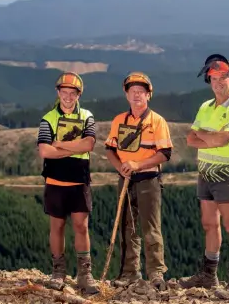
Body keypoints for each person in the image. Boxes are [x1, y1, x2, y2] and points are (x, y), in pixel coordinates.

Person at [179, 54, 229, 299]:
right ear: (209, 80)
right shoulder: (206, 107)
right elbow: (190, 139)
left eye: (223, 78)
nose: (218, 82)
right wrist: (213, 138)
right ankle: (209, 275)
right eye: (213, 78)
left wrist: (206, 138)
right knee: (209, 224)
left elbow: (224, 139)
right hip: (206, 172)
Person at [104, 71, 173, 290]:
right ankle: (129, 273)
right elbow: (110, 149)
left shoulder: (157, 121)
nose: (137, 95)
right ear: (126, 94)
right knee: (127, 228)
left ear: (148, 95)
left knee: (151, 228)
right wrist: (121, 169)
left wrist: (137, 165)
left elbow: (165, 154)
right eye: (133, 91)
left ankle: (156, 274)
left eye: (141, 92)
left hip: (148, 179)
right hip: (125, 179)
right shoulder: (119, 121)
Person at [36, 71, 99, 295]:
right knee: (57, 227)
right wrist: (74, 147)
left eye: (73, 93)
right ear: (58, 92)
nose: (68, 97)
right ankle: (58, 272)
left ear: (79, 94)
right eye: (64, 92)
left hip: (79, 181)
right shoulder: (48, 118)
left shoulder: (87, 116)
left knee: (82, 227)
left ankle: (85, 274)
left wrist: (60, 145)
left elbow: (89, 144)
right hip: (55, 181)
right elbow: (44, 150)